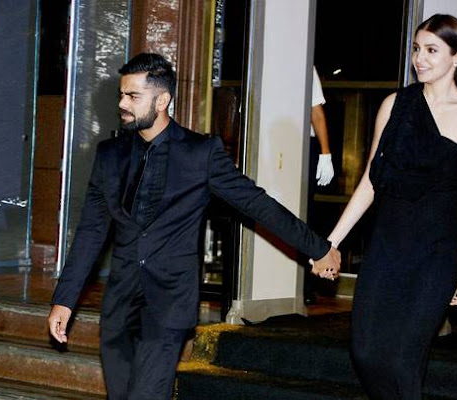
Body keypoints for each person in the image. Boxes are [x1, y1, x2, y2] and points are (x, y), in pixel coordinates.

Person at [47, 53, 341, 400]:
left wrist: (318, 247)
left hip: (168, 302)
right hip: (120, 304)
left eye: (133, 96)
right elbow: (91, 231)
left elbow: (256, 203)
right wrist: (64, 300)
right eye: (121, 94)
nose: (122, 103)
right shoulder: (109, 154)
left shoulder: (200, 153)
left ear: (162, 101)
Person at [326, 15, 457, 399]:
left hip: (438, 253)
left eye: (432, 50)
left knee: (403, 359)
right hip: (387, 246)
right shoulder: (395, 105)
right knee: (365, 353)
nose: (420, 58)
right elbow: (370, 181)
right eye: (417, 49)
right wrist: (331, 242)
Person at [304, 66, 335, 305]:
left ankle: (306, 284)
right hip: (276, 139)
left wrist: (325, 154)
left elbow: (316, 110)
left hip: (305, 144)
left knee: (306, 216)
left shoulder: (305, 65)